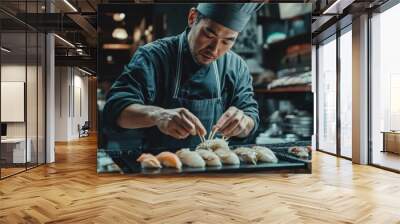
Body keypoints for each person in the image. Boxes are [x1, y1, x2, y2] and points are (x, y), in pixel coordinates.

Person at [103, 3, 263, 151]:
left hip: (217, 170)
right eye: (208, 34)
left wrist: (244, 123)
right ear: (192, 18)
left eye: (227, 42)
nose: (214, 50)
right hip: (160, 167)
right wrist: (158, 115)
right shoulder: (153, 56)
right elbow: (115, 110)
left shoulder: (236, 66)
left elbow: (250, 115)